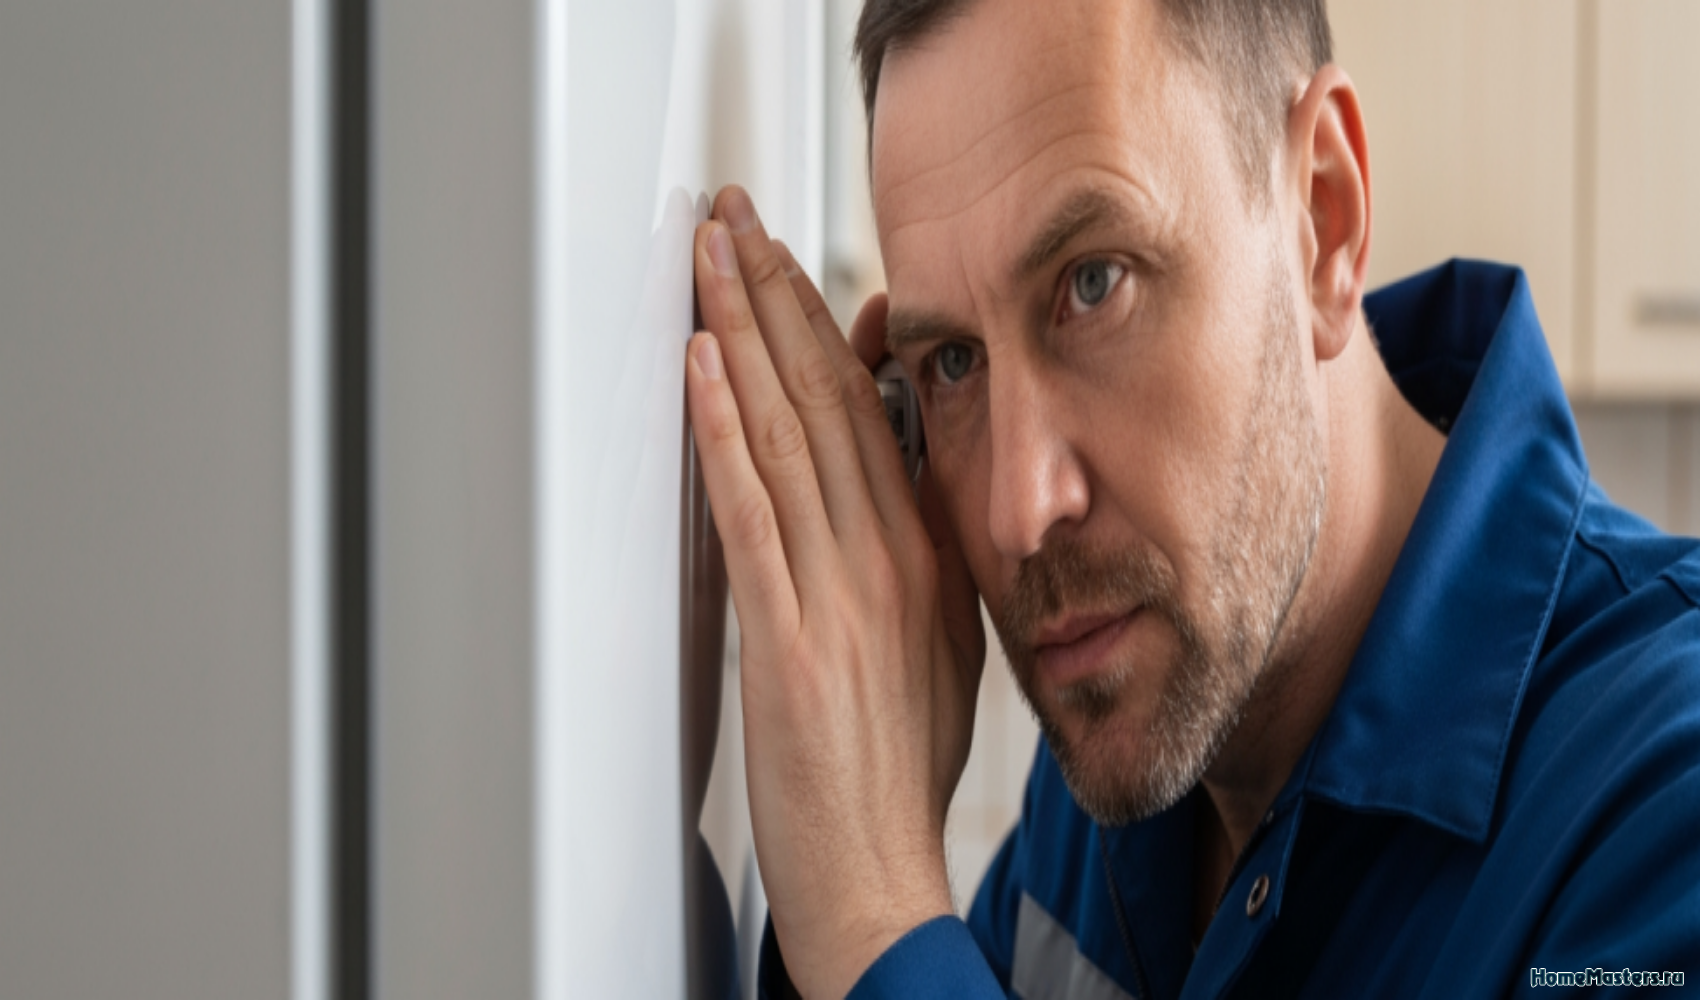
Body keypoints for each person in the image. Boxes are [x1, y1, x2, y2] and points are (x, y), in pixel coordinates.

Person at [682, 0, 1700, 996]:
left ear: (1321, 218)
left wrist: (877, 921)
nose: (1017, 511)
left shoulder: (1662, 802)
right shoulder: (1124, 744)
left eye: (1093, 284)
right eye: (953, 360)